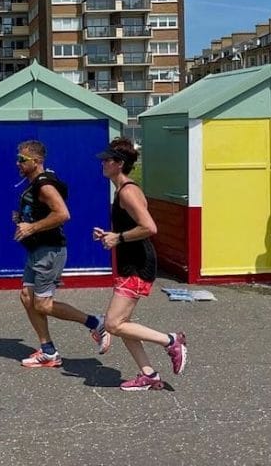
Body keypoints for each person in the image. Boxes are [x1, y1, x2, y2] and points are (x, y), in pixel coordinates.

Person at [93, 138, 187, 391]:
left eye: (107, 160)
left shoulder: (127, 191)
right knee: (125, 325)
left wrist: (119, 237)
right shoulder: (123, 189)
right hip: (130, 262)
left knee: (113, 324)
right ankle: (149, 374)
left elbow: (150, 227)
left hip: (138, 264)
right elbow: (132, 225)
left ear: (119, 163)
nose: (103, 163)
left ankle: (171, 341)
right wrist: (110, 236)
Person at [13, 139, 110, 368]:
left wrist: (31, 227)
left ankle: (96, 322)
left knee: (43, 305)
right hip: (36, 250)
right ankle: (48, 352)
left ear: (36, 162)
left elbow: (63, 214)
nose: (17, 163)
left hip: (50, 251)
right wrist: (23, 219)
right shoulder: (32, 182)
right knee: (27, 297)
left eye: (21, 160)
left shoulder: (45, 185)